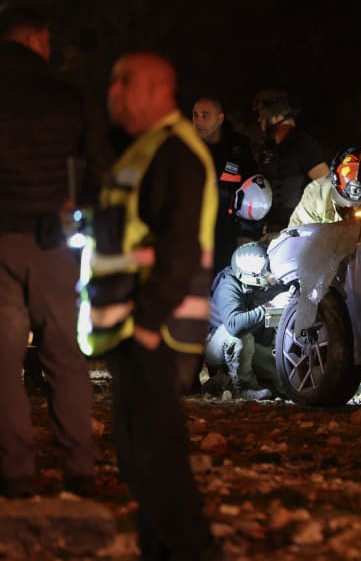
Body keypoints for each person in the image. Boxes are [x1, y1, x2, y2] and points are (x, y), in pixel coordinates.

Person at [81, 52, 218, 558]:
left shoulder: (174, 153)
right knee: (142, 459)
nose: (113, 96)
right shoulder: (147, 149)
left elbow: (179, 247)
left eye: (122, 86)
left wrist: (145, 322)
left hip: (155, 330)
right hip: (135, 327)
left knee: (157, 460)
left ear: (156, 90)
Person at [0, 4, 109, 498]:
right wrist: (80, 206)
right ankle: (78, 469)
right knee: (63, 355)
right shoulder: (69, 98)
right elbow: (101, 171)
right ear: (38, 39)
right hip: (52, 241)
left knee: (2, 362)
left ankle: (15, 472)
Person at [204, 242, 283, 400]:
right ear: (249, 276)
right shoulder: (229, 285)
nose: (271, 278)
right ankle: (244, 387)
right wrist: (271, 307)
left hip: (253, 345)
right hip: (218, 344)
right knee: (238, 336)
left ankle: (223, 382)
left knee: (282, 372)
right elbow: (234, 326)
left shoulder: (260, 285)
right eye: (266, 275)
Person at [192, 95, 257, 275]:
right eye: (195, 115)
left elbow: (255, 193)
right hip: (192, 232)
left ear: (220, 118)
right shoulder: (187, 146)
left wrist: (247, 233)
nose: (199, 121)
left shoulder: (239, 147)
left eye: (205, 115)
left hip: (227, 233)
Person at [253, 89, 327, 233]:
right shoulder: (266, 149)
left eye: (262, 115)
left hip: (298, 233)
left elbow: (326, 186)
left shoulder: (304, 146)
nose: (259, 120)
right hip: (267, 231)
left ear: (276, 117)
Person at [288, 146, 361, 227]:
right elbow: (295, 239)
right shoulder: (317, 195)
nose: (349, 206)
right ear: (334, 179)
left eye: (358, 203)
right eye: (344, 201)